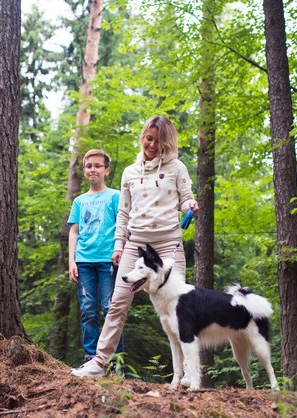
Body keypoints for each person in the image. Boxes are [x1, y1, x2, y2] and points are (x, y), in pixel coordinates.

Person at [72, 115, 198, 378]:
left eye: (158, 141)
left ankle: (188, 371)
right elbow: (124, 213)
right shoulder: (130, 173)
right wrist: (118, 245)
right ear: (143, 136)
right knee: (117, 302)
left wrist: (190, 207)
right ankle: (100, 362)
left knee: (179, 306)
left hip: (168, 243)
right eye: (149, 138)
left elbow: (186, 199)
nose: (152, 145)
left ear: (167, 143)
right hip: (136, 243)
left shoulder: (177, 168)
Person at [68, 149, 123, 366]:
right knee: (88, 310)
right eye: (89, 166)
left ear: (106, 170)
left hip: (109, 260)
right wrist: (71, 261)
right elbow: (74, 230)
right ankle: (91, 359)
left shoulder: (115, 196)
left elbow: (122, 225)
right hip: (83, 261)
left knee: (111, 309)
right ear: (84, 170)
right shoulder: (80, 201)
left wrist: (122, 251)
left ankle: (115, 361)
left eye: (98, 165)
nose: (93, 169)